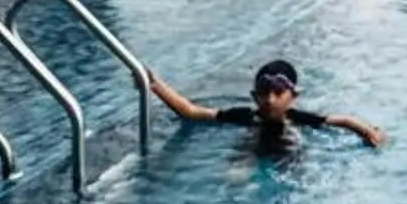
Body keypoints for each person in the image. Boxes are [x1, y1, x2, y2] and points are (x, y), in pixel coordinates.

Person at [146, 57, 384, 151]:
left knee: (294, 161)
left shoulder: (298, 118)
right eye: (264, 93)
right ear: (254, 96)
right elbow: (191, 111)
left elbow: (343, 120)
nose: (270, 99)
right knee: (236, 178)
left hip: (287, 144)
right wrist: (154, 84)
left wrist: (368, 131)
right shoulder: (245, 116)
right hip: (254, 145)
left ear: (293, 96)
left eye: (278, 92)